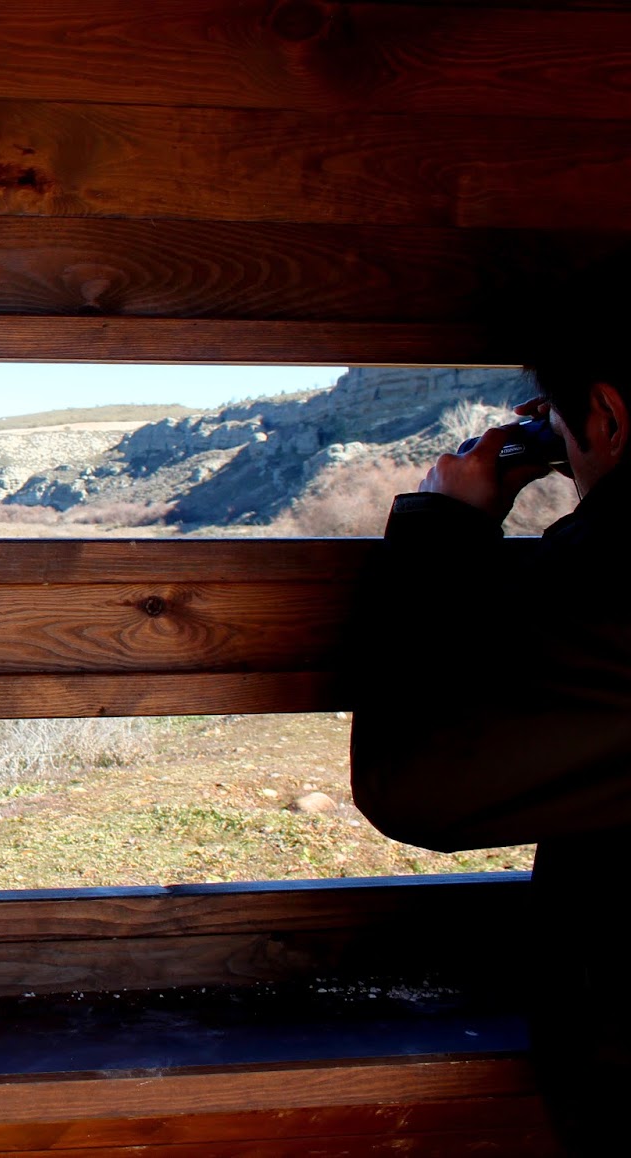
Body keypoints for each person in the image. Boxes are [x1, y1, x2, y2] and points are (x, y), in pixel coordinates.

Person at [349, 295, 631, 1153]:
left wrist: (445, 530)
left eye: (562, 425)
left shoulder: (609, 573)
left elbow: (417, 784)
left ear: (610, 413)